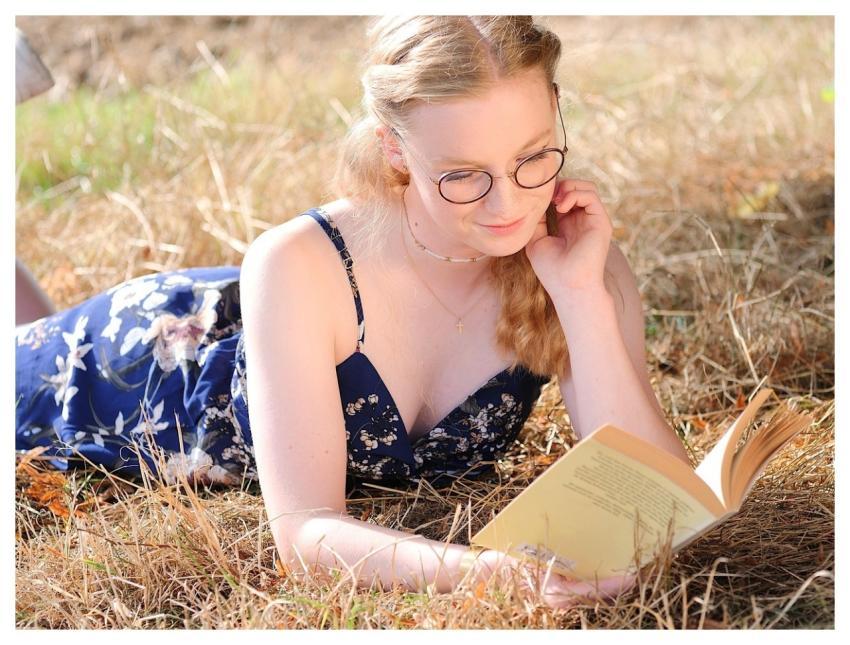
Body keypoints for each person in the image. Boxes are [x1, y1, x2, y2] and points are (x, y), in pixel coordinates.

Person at [16, 16, 691, 609]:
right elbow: (304, 531)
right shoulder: (299, 261)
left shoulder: (576, 251)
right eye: (462, 174)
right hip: (133, 367)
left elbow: (658, 498)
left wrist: (579, 298)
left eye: (533, 157)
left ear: (555, 110)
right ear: (395, 149)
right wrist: (483, 573)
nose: (507, 205)